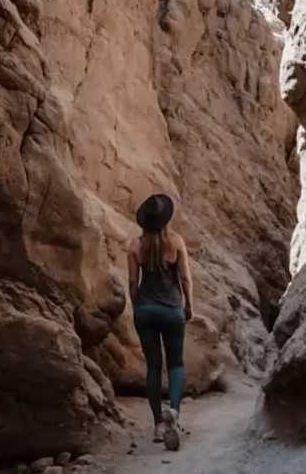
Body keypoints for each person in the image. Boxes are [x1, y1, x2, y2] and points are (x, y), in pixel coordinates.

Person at [127, 193, 193, 451]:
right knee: (175, 363)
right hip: (172, 311)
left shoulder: (135, 246)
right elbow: (185, 278)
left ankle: (157, 425)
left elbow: (133, 283)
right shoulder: (176, 242)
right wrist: (189, 305)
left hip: (146, 311)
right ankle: (174, 412)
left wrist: (137, 307)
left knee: (153, 367)